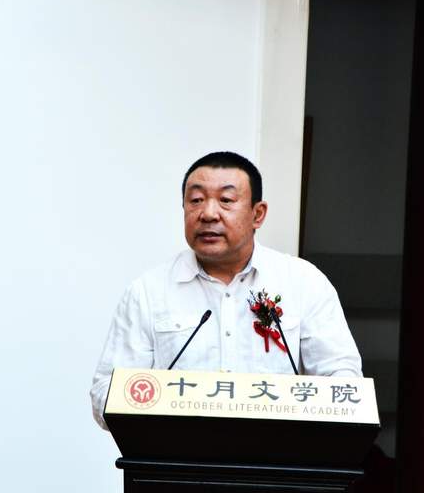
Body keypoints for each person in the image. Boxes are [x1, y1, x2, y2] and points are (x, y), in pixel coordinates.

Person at [90, 151, 362, 429]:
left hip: (277, 452)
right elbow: (104, 392)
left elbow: (343, 382)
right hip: (177, 453)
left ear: (258, 214)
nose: (208, 214)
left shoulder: (304, 283)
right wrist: (154, 408)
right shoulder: (148, 292)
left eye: (226, 200)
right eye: (196, 200)